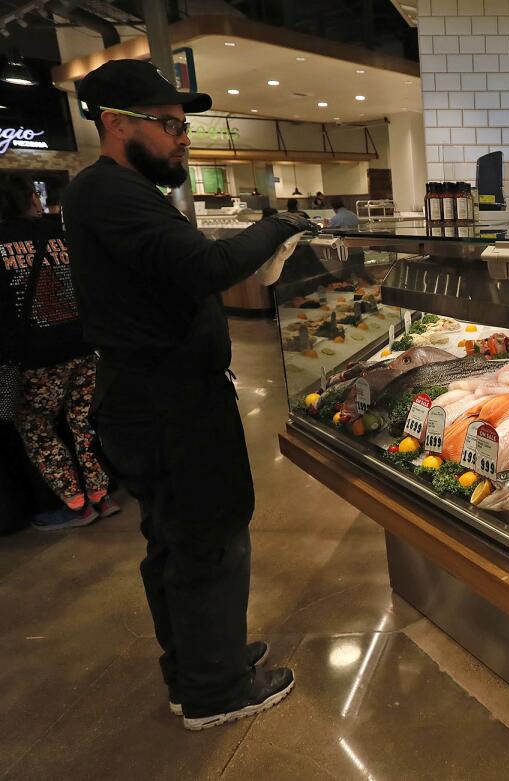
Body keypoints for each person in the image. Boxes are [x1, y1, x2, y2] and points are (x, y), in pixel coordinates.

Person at [64, 59, 316, 731]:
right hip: (166, 403)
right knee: (210, 538)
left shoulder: (121, 193)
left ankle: (201, 662)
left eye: (183, 125)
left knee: (178, 541)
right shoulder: (108, 193)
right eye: (170, 124)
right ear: (116, 123)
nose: (183, 138)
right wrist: (281, 223)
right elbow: (206, 267)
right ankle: (217, 688)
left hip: (159, 396)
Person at [0, 173, 118, 529]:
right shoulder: (59, 233)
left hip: (33, 359)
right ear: (30, 199)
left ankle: (76, 505)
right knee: (83, 424)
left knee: (38, 430)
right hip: (83, 346)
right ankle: (101, 494)